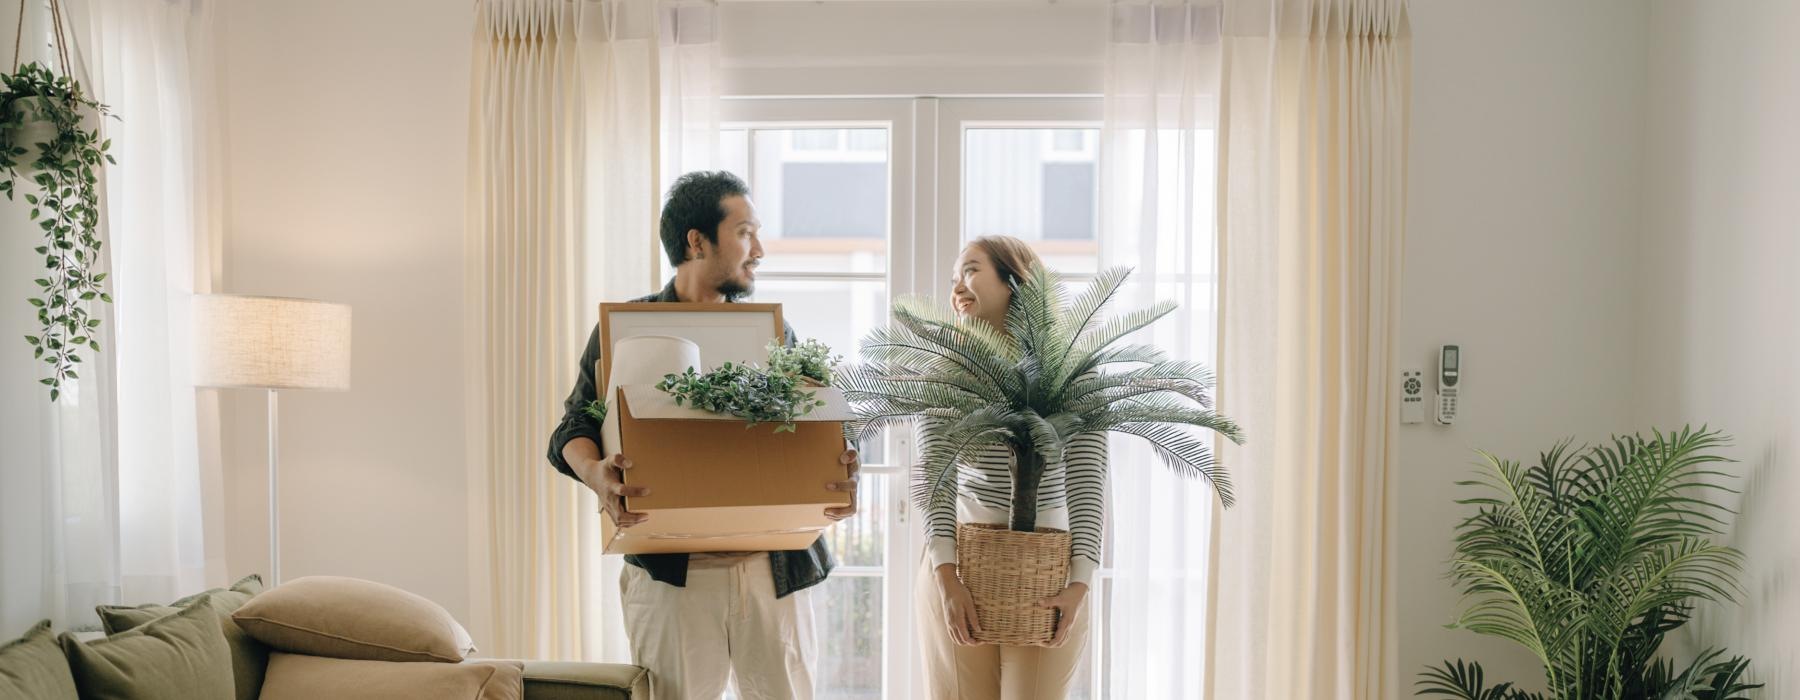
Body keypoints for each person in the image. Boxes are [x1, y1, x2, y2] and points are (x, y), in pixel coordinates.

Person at [546, 170, 861, 700]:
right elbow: (573, 427)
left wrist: (843, 458)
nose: (758, 249)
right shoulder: (626, 327)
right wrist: (597, 474)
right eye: (745, 232)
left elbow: (826, 422)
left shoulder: (776, 334)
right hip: (672, 575)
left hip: (776, 570)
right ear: (697, 240)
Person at [915, 235, 1105, 699]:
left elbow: (1087, 483)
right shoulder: (947, 371)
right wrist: (946, 577)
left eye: (971, 269)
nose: (957, 285)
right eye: (953, 277)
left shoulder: (1074, 372)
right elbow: (936, 478)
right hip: (958, 568)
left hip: (1049, 573)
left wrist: (1079, 582)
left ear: (1015, 280)